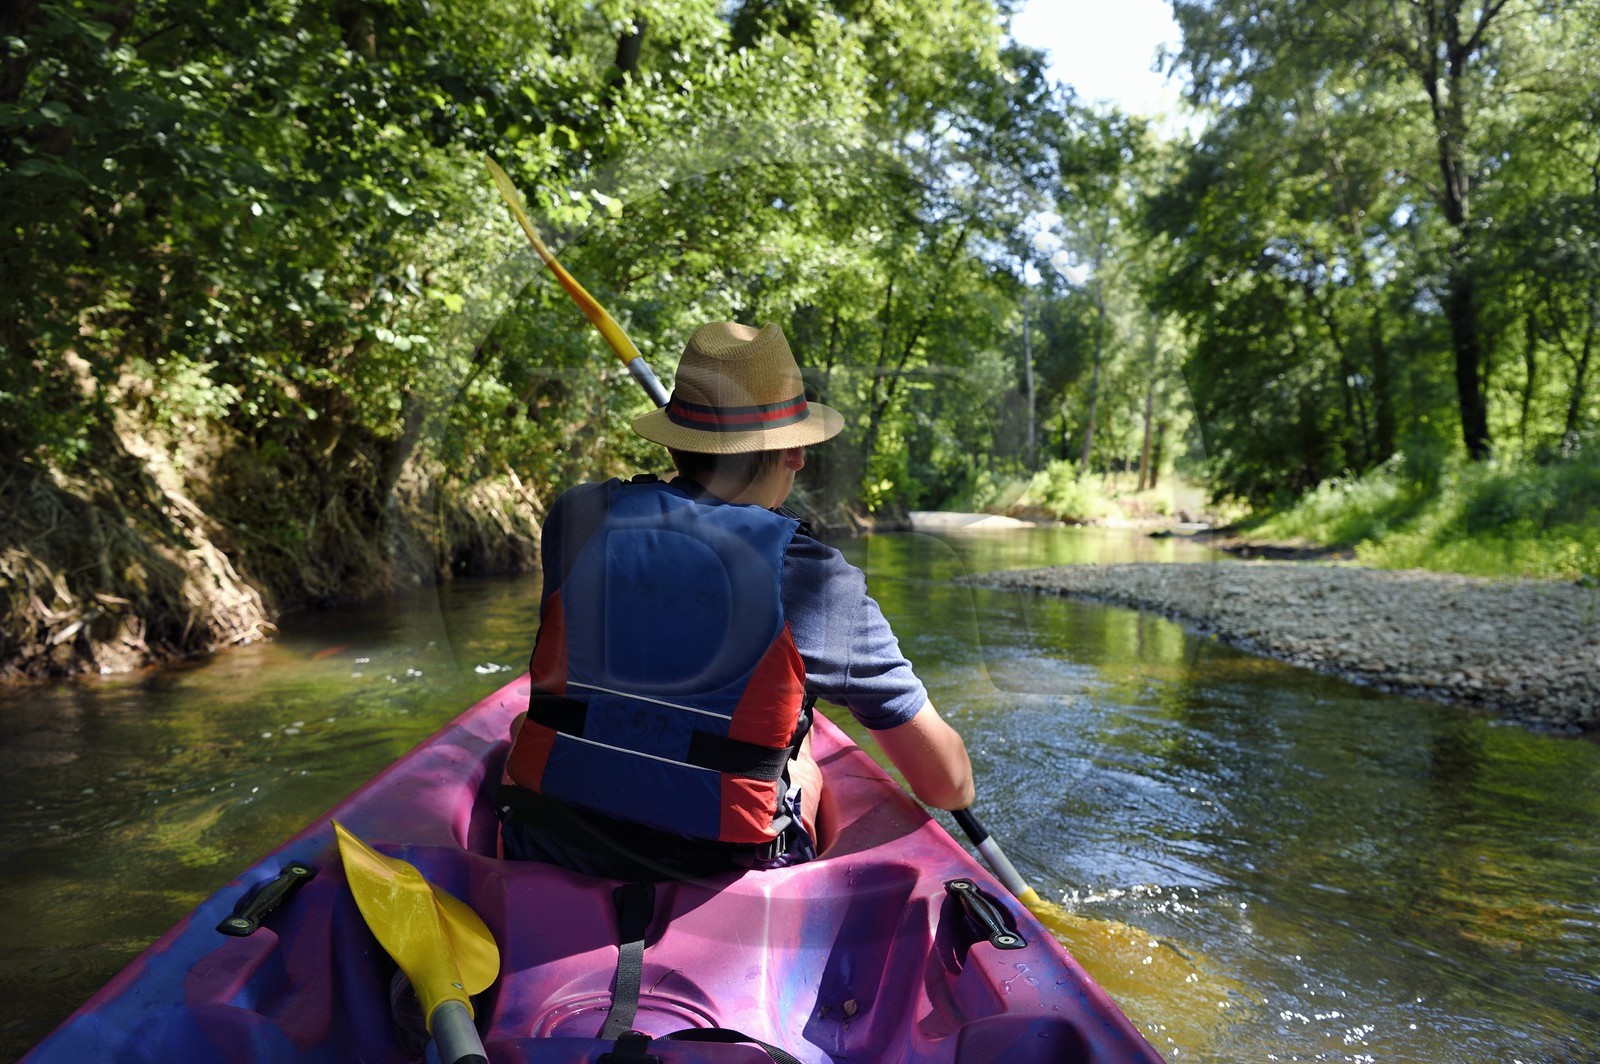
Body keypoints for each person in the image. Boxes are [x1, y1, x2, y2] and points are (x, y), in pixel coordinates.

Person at [498, 321, 973, 879]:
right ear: (793, 452)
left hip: (551, 829)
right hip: (717, 863)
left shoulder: (576, 517)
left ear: (676, 441)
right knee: (806, 760)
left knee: (520, 732)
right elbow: (946, 784)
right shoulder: (813, 576)